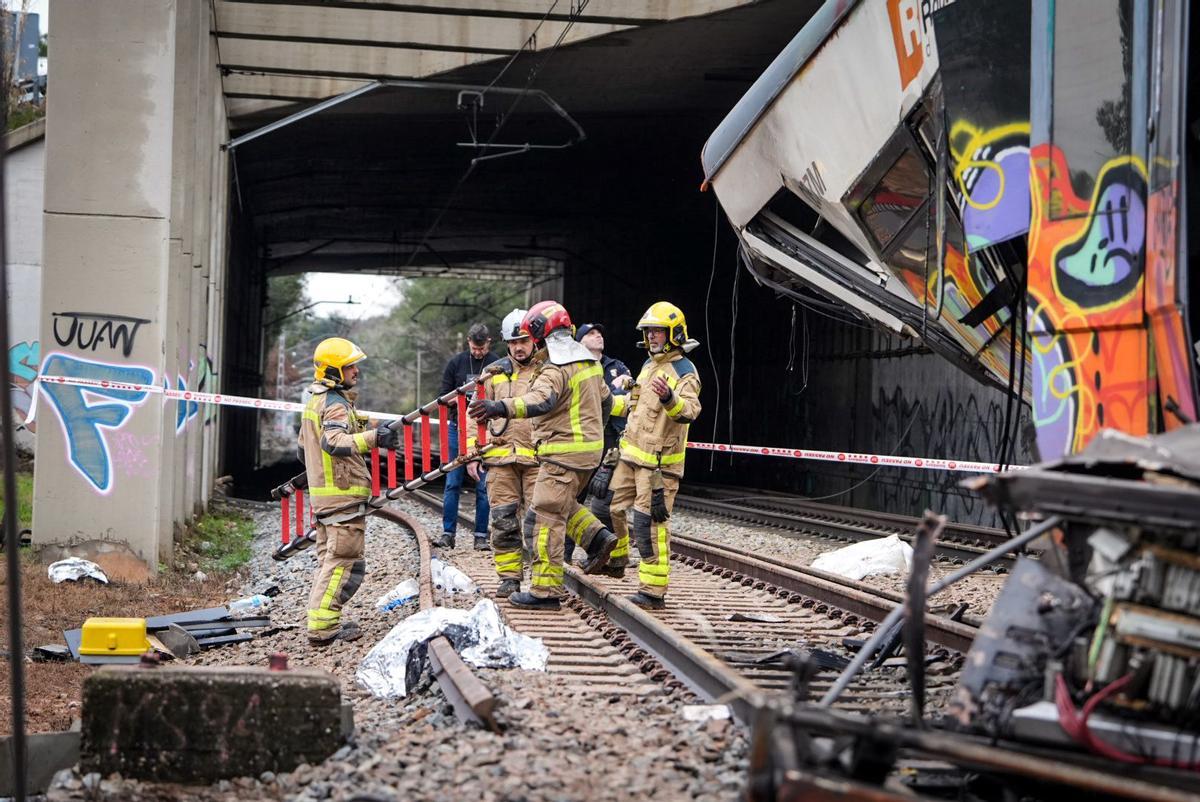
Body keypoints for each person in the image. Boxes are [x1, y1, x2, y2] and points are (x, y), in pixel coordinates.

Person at [469, 301, 618, 610]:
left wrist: (501, 407)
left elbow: (541, 400)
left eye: (527, 338)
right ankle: (596, 540)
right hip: (559, 455)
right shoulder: (587, 362)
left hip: (553, 455)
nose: (524, 346)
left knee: (544, 520)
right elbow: (607, 401)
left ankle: (543, 592)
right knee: (535, 513)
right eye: (514, 342)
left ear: (538, 334)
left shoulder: (552, 367)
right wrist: (596, 437)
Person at [300, 337, 400, 645]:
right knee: (343, 562)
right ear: (334, 371)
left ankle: (324, 620)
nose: (356, 371)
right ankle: (323, 627)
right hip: (342, 496)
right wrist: (373, 438)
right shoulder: (334, 404)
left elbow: (306, 444)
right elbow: (333, 442)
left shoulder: (318, 400)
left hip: (326, 498)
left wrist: (363, 423)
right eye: (349, 366)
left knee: (332, 563)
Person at [605, 302, 701, 609]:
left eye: (657, 331)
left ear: (674, 334)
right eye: (648, 332)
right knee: (607, 506)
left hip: (659, 467)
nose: (652, 337)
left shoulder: (684, 372)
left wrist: (669, 397)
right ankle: (616, 560)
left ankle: (652, 591)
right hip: (631, 457)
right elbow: (634, 407)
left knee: (651, 526)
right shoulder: (649, 366)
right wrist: (606, 400)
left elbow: (689, 412)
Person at [471, 309, 541, 598]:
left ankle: (542, 581)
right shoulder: (493, 373)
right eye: (512, 342)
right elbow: (473, 414)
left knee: (539, 523)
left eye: (523, 340)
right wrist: (472, 452)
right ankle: (509, 577)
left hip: (538, 458)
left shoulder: (546, 370)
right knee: (502, 519)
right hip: (499, 458)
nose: (518, 347)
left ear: (534, 339)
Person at [568, 323, 630, 564]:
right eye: (592, 333)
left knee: (604, 502)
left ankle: (604, 556)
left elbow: (629, 400)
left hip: (610, 443)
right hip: (581, 443)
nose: (599, 336)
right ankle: (564, 556)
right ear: (580, 341)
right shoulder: (574, 366)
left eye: (600, 333)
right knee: (573, 501)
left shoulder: (616, 367)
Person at [437, 323, 499, 549]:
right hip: (458, 427)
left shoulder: (496, 362)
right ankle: (447, 533)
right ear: (469, 343)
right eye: (474, 349)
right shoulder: (456, 363)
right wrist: (465, 398)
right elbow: (442, 398)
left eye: (481, 349)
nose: (478, 353)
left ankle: (481, 535)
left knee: (483, 485)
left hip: (486, 430)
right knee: (452, 482)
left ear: (488, 343)